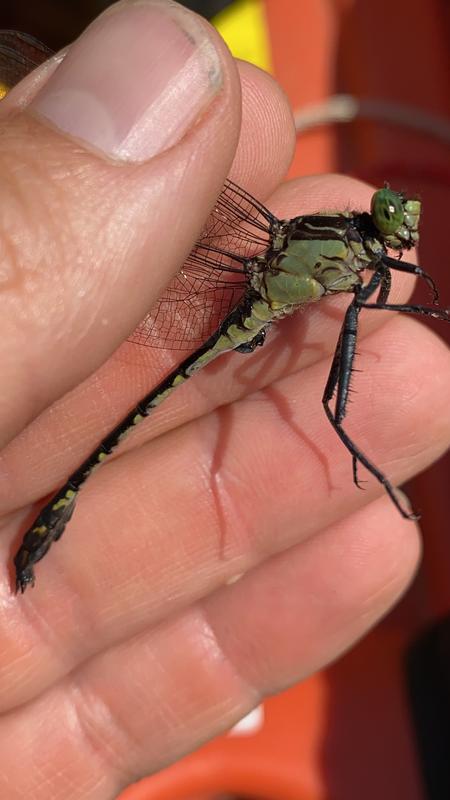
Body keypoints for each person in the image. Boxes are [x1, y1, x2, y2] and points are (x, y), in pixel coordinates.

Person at [0, 1, 448, 797]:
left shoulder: (352, 246)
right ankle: (373, 478)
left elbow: (370, 297)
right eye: (390, 220)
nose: (397, 223)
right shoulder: (351, 250)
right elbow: (365, 320)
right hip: (241, 291)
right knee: (341, 411)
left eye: (395, 219)